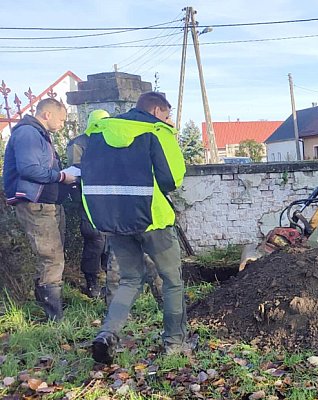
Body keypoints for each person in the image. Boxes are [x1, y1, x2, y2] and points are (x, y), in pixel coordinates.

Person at [81, 92, 188, 363]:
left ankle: (107, 333)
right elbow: (172, 179)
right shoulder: (155, 131)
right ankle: (174, 343)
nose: (169, 121)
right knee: (172, 280)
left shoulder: (101, 132)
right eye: (166, 115)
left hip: (115, 220)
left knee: (130, 280)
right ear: (155, 110)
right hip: (153, 220)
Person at [3, 98, 77, 321]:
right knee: (51, 257)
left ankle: (49, 306)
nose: (63, 125)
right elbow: (29, 169)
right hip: (36, 204)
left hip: (46, 203)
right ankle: (55, 318)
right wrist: (62, 176)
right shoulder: (29, 133)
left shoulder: (38, 133)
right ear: (47, 114)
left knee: (51, 256)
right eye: (62, 119)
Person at [66, 109, 110, 298]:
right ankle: (92, 282)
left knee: (110, 240)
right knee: (95, 239)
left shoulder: (110, 140)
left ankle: (112, 281)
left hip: (109, 198)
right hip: (88, 198)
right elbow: (75, 170)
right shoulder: (79, 143)